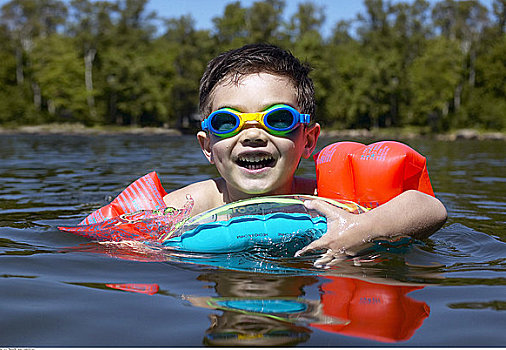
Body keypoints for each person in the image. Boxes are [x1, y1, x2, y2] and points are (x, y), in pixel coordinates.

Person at [161, 43, 447, 267]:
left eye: (279, 119)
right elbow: (123, 231)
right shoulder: (192, 205)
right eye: (227, 122)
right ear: (207, 146)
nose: (252, 136)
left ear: (308, 140)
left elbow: (431, 209)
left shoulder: (320, 197)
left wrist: (363, 229)